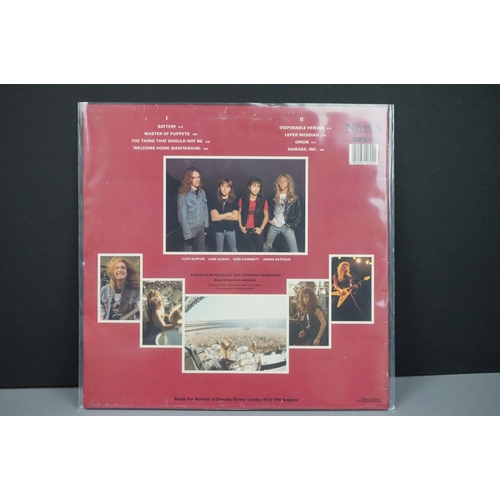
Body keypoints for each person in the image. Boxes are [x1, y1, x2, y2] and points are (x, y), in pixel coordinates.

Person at [264, 173, 301, 252]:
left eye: (284, 181)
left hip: (287, 227)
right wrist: (270, 219)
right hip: (274, 226)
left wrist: (291, 224)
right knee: (267, 245)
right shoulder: (273, 196)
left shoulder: (295, 197)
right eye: (280, 181)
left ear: (288, 183)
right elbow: (268, 209)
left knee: (294, 251)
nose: (282, 183)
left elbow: (299, 213)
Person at [177, 167, 209, 251]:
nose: (197, 180)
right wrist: (188, 235)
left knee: (202, 248)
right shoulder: (183, 194)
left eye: (198, 177)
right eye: (194, 178)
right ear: (188, 179)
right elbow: (182, 217)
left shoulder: (202, 192)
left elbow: (205, 210)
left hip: (201, 226)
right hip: (190, 228)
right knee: (187, 250)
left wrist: (206, 226)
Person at [238, 176, 269, 252]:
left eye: (258, 186)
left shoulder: (263, 201)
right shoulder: (243, 200)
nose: (256, 188)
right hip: (245, 230)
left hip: (257, 230)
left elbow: (266, 216)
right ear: (249, 187)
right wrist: (241, 226)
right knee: (246, 253)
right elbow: (239, 213)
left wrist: (261, 228)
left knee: (259, 252)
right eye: (254, 186)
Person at [210, 178, 239, 252]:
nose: (225, 189)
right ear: (219, 188)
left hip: (230, 229)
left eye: (227, 187)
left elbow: (235, 217)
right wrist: (228, 214)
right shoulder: (215, 200)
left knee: (234, 249)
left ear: (230, 189)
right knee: (219, 250)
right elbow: (214, 218)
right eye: (223, 186)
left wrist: (219, 216)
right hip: (219, 229)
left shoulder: (234, 200)